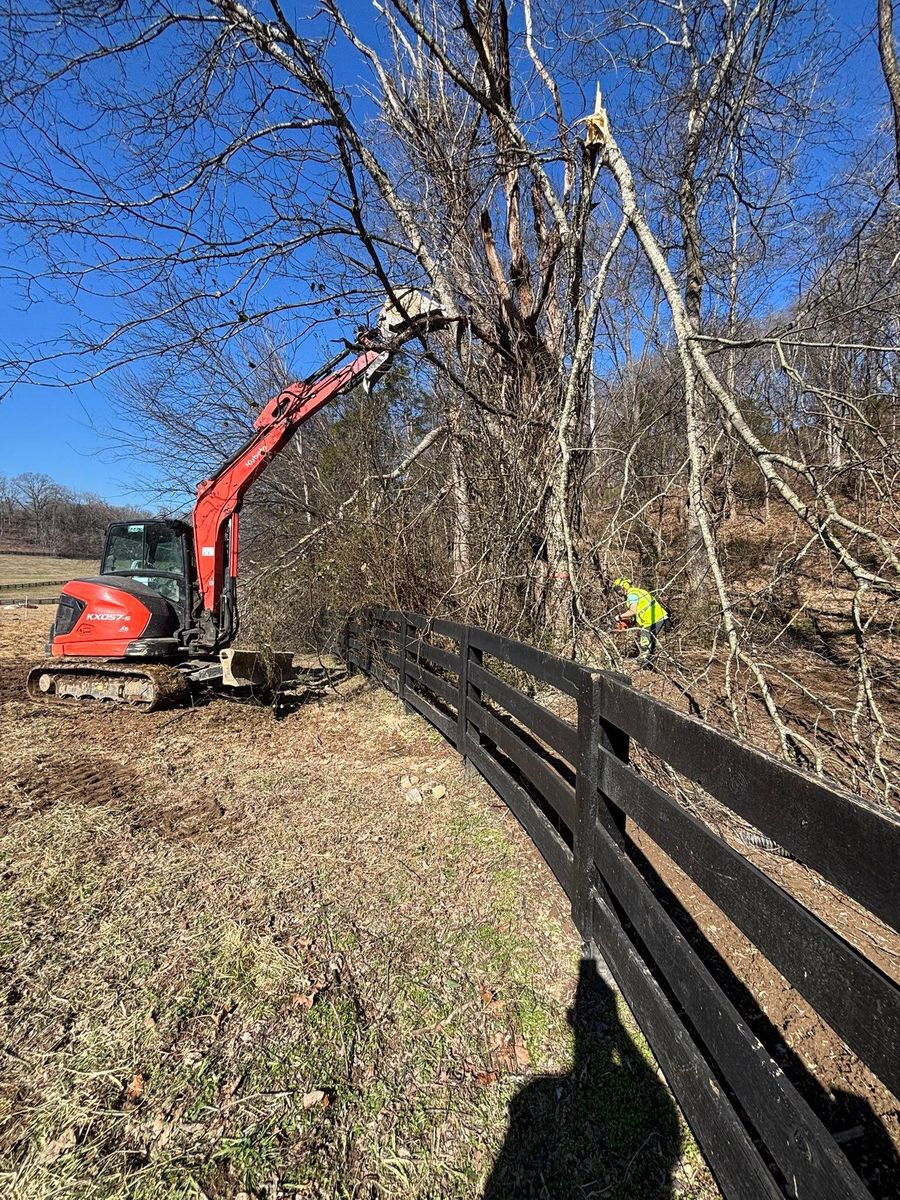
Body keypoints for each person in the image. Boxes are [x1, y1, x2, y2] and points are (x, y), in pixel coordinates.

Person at [612, 577, 669, 668]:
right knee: (651, 643)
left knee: (645, 643)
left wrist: (619, 617)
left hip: (651, 620)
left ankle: (642, 665)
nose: (618, 592)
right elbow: (640, 610)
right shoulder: (640, 591)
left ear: (624, 586)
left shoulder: (632, 595)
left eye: (618, 589)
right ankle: (649, 665)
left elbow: (633, 611)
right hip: (660, 617)